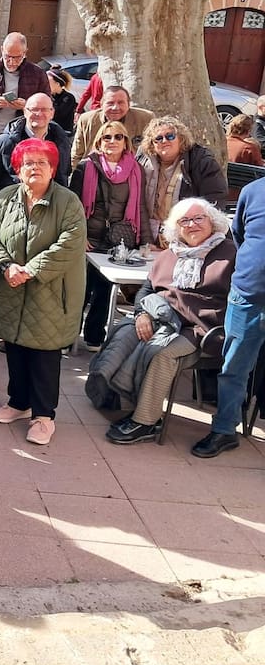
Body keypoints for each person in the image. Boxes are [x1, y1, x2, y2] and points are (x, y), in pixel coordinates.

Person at [97, 198, 235, 445]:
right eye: (184, 221)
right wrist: (141, 314)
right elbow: (146, 290)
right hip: (161, 317)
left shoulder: (229, 254)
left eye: (198, 218)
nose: (192, 225)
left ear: (212, 221)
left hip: (200, 329)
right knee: (124, 334)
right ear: (176, 228)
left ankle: (145, 421)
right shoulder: (169, 254)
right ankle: (110, 393)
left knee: (162, 353)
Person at [0, 138, 86, 446]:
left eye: (42, 163)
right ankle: (18, 402)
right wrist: (5, 265)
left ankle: (43, 416)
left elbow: (70, 242)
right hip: (10, 287)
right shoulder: (4, 198)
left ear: (53, 169)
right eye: (28, 163)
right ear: (17, 168)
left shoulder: (67, 202)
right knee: (15, 347)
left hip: (50, 291)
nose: (34, 168)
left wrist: (31, 269)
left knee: (43, 354)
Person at [69, 120, 151, 350]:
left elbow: (141, 207)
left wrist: (145, 241)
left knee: (104, 290)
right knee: (81, 290)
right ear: (99, 141)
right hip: (89, 239)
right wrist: (78, 235)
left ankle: (94, 335)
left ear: (125, 142)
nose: (113, 141)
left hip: (118, 241)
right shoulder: (86, 167)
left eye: (118, 137)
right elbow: (73, 206)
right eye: (107, 137)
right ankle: (69, 336)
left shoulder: (136, 170)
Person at [201, 179, 265, 458]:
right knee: (233, 368)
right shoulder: (252, 191)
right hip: (247, 295)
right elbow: (238, 235)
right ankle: (225, 430)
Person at [137, 115, 227, 246]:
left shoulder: (201, 162)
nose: (164, 141)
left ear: (181, 139)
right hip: (147, 237)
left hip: (187, 238)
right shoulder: (142, 161)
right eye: (158, 138)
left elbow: (214, 202)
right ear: (152, 144)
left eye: (170, 136)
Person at [0, 93, 71, 208]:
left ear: (52, 113)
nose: (39, 114)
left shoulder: (62, 142)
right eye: (34, 109)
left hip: (51, 212)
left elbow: (64, 176)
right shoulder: (2, 143)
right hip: (11, 213)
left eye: (44, 109)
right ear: (25, 111)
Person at [0, 32, 51, 149]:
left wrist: (27, 106)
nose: (11, 62)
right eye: (7, 56)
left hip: (21, 137)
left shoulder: (37, 73)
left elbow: (49, 107)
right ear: (2, 50)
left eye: (17, 58)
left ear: (25, 53)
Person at [70, 86, 155, 169]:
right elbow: (77, 154)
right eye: (110, 103)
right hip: (95, 171)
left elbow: (153, 152)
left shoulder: (145, 118)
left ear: (128, 104)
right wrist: (76, 174)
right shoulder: (86, 120)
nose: (115, 108)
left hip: (133, 172)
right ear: (101, 104)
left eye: (121, 103)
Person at [48, 70, 77, 136]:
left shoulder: (69, 98)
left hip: (64, 132)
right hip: (50, 130)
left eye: (48, 82)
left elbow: (58, 114)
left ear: (57, 84)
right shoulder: (48, 96)